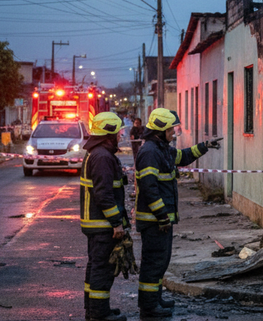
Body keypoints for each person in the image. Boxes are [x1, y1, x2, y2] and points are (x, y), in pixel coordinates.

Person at [135, 108, 220, 319]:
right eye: (172, 129)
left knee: (161, 261)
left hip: (161, 220)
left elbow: (183, 157)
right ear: (160, 130)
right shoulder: (150, 152)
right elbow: (149, 188)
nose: (174, 132)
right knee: (153, 263)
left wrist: (204, 146)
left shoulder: (162, 148)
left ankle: (155, 299)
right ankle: (149, 307)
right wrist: (162, 216)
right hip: (154, 220)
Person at [80, 112, 129, 321]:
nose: (121, 135)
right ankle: (100, 315)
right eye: (119, 131)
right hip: (102, 225)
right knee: (102, 270)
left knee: (95, 268)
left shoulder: (97, 153)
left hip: (96, 224)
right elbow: (104, 194)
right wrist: (117, 223)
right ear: (110, 132)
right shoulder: (102, 157)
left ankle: (94, 310)